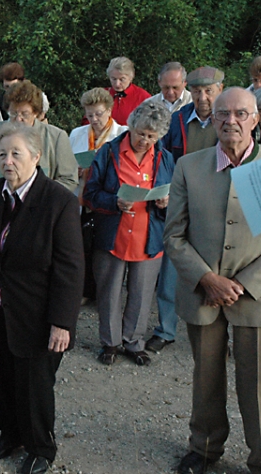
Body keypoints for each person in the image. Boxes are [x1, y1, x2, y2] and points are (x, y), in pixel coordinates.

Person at [0, 124, 83, 472]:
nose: (8, 161)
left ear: (36, 156)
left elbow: (70, 269)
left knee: (35, 385)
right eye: (2, 154)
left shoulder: (59, 201)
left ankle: (40, 447)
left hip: (37, 313)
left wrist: (62, 322)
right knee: (1, 376)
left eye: (16, 153)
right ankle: (10, 433)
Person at [165, 87, 261, 474]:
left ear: (256, 118)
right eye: (223, 114)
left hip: (258, 296)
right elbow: (173, 235)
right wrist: (207, 279)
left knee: (259, 384)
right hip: (203, 293)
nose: (232, 121)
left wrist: (241, 283)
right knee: (205, 376)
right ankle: (205, 447)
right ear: (212, 119)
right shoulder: (188, 167)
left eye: (241, 114)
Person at [83, 100, 174, 366]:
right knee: (109, 291)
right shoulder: (108, 153)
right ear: (131, 127)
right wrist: (114, 202)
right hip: (113, 234)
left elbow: (178, 196)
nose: (145, 140)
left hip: (149, 234)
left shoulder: (165, 158)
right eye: (141, 134)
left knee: (142, 293)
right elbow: (90, 194)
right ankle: (110, 342)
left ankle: (134, 342)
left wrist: (166, 202)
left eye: (151, 136)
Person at [146, 66, 224, 353]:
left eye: (208, 91)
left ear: (220, 89)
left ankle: (216, 332)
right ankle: (166, 330)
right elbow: (161, 160)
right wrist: (164, 190)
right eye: (196, 91)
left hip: (217, 208)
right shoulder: (177, 120)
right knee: (170, 272)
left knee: (215, 271)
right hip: (178, 205)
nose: (202, 97)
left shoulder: (228, 122)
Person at [69, 88, 127, 300]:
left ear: (110, 110)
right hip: (82, 196)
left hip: (108, 197)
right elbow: (67, 164)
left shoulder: (122, 134)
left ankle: (105, 293)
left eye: (99, 114)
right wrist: (74, 170)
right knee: (82, 246)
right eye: (89, 114)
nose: (94, 119)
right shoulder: (77, 134)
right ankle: (84, 290)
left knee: (105, 250)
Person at [0, 80, 78, 196]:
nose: (18, 119)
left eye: (25, 114)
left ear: (36, 113)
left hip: (39, 209)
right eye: (13, 113)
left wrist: (42, 192)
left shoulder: (56, 137)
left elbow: (69, 179)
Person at [105, 57, 151, 125]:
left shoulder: (143, 97)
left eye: (122, 79)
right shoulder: (102, 95)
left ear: (130, 77)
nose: (117, 84)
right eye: (113, 79)